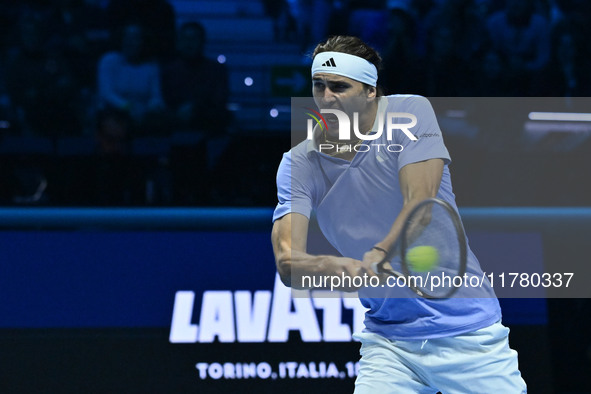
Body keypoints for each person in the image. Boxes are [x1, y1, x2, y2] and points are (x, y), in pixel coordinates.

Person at [271, 35, 527, 392]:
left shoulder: (410, 113)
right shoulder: (298, 163)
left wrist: (379, 253)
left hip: (470, 335)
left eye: (339, 87)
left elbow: (421, 204)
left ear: (370, 90)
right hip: (390, 344)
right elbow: (288, 262)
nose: (326, 98)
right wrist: (331, 268)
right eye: (319, 85)